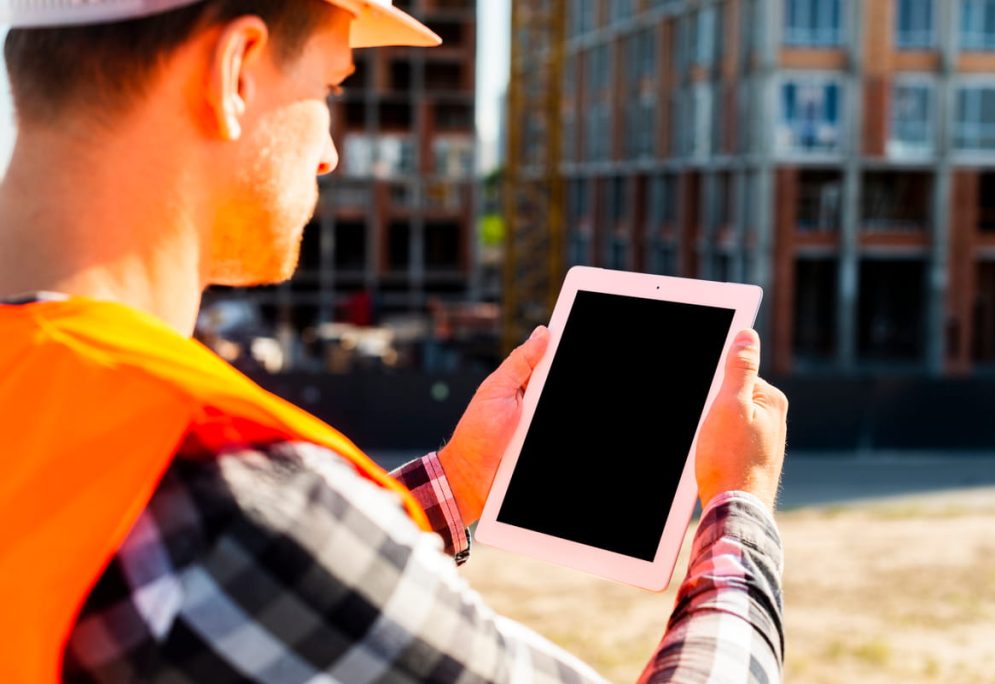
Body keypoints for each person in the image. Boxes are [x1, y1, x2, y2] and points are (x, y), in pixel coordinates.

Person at [0, 1, 789, 682]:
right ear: (235, 72)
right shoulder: (225, 493)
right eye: (328, 87)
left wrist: (461, 480)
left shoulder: (76, 413)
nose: (329, 151)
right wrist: (738, 507)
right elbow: (268, 549)